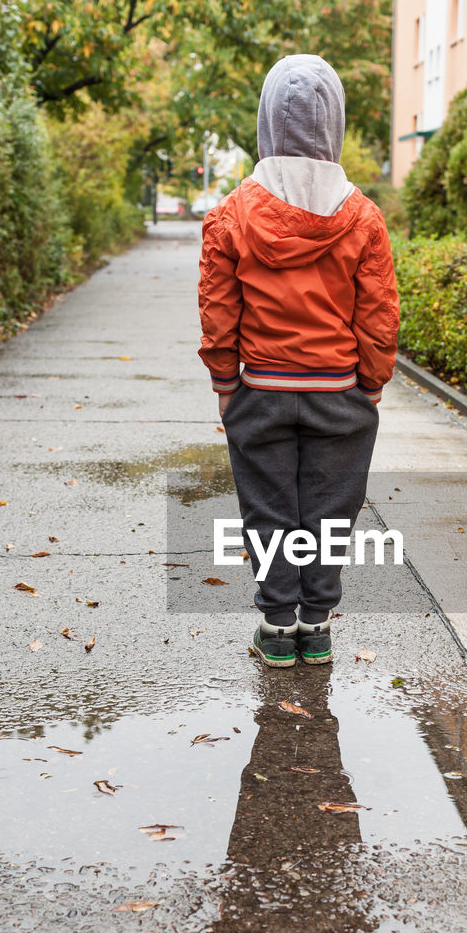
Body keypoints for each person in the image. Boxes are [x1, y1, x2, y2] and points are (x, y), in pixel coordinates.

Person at [198, 54, 399, 667]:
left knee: (268, 508)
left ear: (265, 122)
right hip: (338, 388)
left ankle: (277, 630)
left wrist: (224, 380)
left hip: (260, 385)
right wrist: (372, 382)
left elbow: (218, 305)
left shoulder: (231, 214)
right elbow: (378, 311)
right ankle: (318, 625)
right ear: (334, 122)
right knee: (330, 508)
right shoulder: (362, 216)